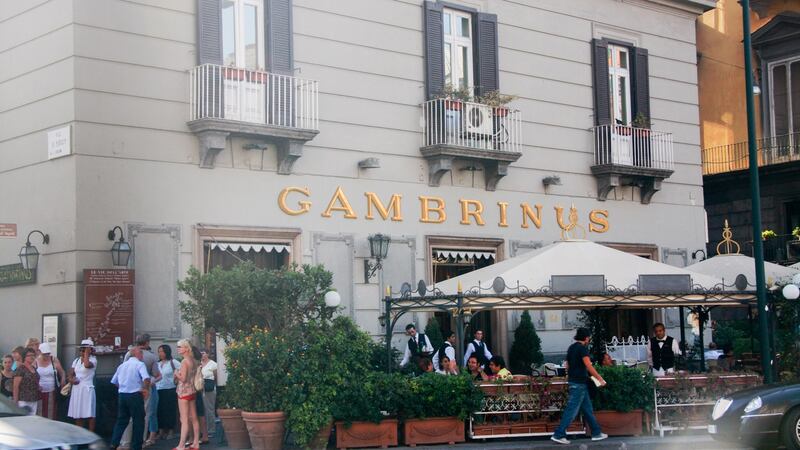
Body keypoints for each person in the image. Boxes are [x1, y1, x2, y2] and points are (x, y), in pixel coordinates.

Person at [550, 328, 608, 445]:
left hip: (575, 382)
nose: (589, 340)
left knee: (587, 409)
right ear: (586, 338)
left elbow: (567, 366)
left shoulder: (571, 348)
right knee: (571, 410)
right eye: (589, 338)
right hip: (580, 383)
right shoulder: (582, 349)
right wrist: (600, 379)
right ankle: (559, 434)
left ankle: (596, 433)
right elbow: (588, 366)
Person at [121, 334, 161, 448]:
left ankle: (125, 442)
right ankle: (141, 441)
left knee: (129, 416)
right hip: (145, 386)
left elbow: (124, 369)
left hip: (130, 387)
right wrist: (152, 381)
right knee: (145, 415)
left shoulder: (129, 354)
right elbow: (157, 374)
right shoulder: (151, 357)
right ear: (147, 343)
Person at [110, 346, 151, 450]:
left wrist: (123, 387)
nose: (142, 355)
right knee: (138, 421)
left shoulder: (122, 366)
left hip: (123, 395)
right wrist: (145, 389)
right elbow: (146, 378)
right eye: (141, 353)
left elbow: (114, 381)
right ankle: (137, 446)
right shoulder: (140, 364)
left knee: (121, 420)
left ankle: (114, 443)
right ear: (137, 354)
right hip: (135, 395)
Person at [174, 339, 200, 450]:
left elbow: (183, 379)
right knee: (194, 418)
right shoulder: (193, 360)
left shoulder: (184, 362)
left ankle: (181, 445)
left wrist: (176, 373)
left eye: (180, 347)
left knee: (184, 419)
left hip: (183, 392)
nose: (178, 348)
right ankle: (196, 443)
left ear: (186, 348)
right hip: (192, 391)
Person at [68, 339, 98, 431]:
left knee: (89, 413)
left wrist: (87, 353)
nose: (82, 351)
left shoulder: (94, 360)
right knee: (78, 413)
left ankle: (91, 434)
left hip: (87, 388)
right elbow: (70, 373)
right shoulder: (76, 360)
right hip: (77, 389)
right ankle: (79, 434)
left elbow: (86, 365)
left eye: (84, 349)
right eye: (81, 350)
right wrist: (71, 379)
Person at [36, 342, 65, 419]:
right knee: (39, 412)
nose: (47, 356)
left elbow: (62, 373)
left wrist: (63, 381)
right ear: (40, 352)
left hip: (51, 390)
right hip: (39, 391)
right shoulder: (35, 361)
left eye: (48, 353)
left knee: (51, 412)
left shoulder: (54, 360)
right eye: (44, 354)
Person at [156, 344, 178, 440]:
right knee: (159, 410)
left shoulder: (173, 362)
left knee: (170, 410)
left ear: (166, 352)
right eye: (159, 351)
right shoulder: (157, 364)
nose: (160, 353)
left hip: (170, 389)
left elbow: (182, 371)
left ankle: (171, 430)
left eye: (162, 351)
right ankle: (161, 430)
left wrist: (176, 378)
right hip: (158, 388)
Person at [12, 348, 39, 414]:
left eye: (33, 355)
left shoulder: (34, 368)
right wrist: (15, 402)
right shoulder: (20, 369)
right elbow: (15, 387)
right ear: (24, 357)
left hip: (34, 399)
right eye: (29, 355)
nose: (32, 357)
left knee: (33, 420)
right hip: (23, 400)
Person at [192, 345, 209, 444]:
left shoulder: (193, 363)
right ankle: (204, 435)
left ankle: (197, 436)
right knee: (200, 413)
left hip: (193, 389)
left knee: (195, 414)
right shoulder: (198, 363)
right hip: (198, 389)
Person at [200, 348, 218, 440]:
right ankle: (203, 430)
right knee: (201, 410)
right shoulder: (198, 364)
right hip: (199, 388)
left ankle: (211, 429)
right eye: (200, 353)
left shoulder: (213, 364)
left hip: (209, 388)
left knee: (209, 409)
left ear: (207, 354)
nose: (202, 355)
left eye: (203, 353)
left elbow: (216, 377)